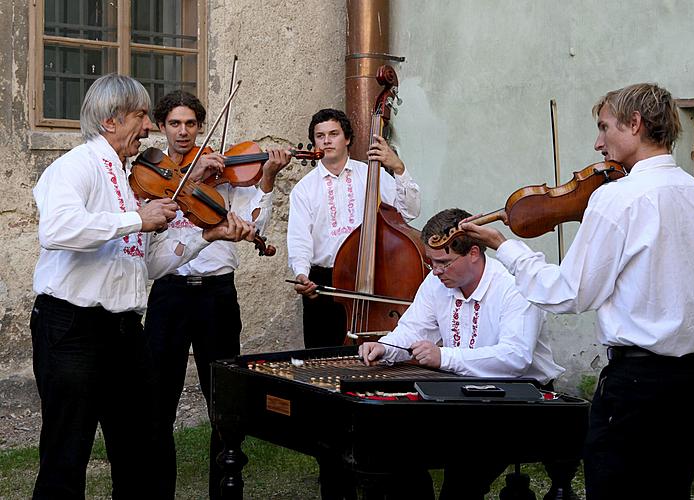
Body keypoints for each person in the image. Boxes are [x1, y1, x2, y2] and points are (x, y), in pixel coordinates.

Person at [461, 83, 694, 500]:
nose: (597, 142)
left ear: (635, 124)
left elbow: (568, 293)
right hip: (693, 383)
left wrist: (506, 248)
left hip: (636, 387)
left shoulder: (618, 197)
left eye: (604, 127)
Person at [29, 74, 254, 499]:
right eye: (140, 116)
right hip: (73, 328)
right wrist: (138, 219)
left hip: (124, 331)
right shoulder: (75, 165)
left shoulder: (133, 179)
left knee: (140, 449)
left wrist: (206, 236)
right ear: (110, 121)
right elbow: (56, 229)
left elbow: (146, 263)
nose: (149, 127)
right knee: (67, 452)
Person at [359, 208, 575, 500]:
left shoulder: (513, 286)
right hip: (460, 394)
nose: (435, 271)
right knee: (396, 452)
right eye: (431, 263)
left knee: (461, 482)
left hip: (520, 400)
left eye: (444, 263)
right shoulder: (436, 282)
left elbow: (515, 357)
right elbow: (413, 329)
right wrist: (385, 347)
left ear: (474, 252)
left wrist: (444, 357)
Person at [143, 90, 291, 499]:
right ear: (161, 127)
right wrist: (189, 178)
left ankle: (225, 490)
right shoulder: (152, 176)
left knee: (222, 399)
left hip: (216, 297)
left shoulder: (225, 172)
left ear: (201, 127)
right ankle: (158, 491)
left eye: (190, 124)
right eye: (174, 123)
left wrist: (267, 177)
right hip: (169, 294)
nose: (183, 132)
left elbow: (254, 220)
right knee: (159, 400)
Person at [288, 108, 421, 348]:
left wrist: (399, 169)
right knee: (323, 359)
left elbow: (409, 212)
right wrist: (301, 274)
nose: (327, 140)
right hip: (325, 282)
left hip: (375, 276)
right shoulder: (304, 189)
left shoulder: (372, 174)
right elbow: (300, 240)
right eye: (320, 136)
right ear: (314, 142)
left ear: (347, 138)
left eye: (333, 133)